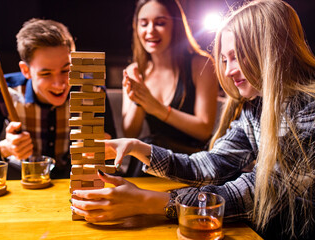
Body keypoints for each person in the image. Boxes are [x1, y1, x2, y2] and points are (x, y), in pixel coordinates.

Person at [70, 0, 315, 239]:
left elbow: (259, 194)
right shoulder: (255, 106)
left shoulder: (309, 110)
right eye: (225, 59)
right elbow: (212, 164)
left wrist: (149, 201)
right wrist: (137, 148)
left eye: (238, 56)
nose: (228, 71)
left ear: (272, 50)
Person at [0, 18, 116, 179]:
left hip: (74, 180)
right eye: (46, 74)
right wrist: (5, 148)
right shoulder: (0, 91)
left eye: (66, 70)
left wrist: (107, 148)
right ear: (25, 70)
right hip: (21, 177)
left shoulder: (93, 92)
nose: (59, 84)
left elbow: (116, 157)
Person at [121, 0, 218, 176]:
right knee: (147, 146)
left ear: (176, 26)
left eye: (160, 23)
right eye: (144, 24)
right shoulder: (135, 70)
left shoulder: (201, 65)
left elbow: (204, 130)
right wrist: (139, 99)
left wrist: (157, 108)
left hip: (193, 160)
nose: (150, 30)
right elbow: (130, 132)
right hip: (153, 158)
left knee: (151, 144)